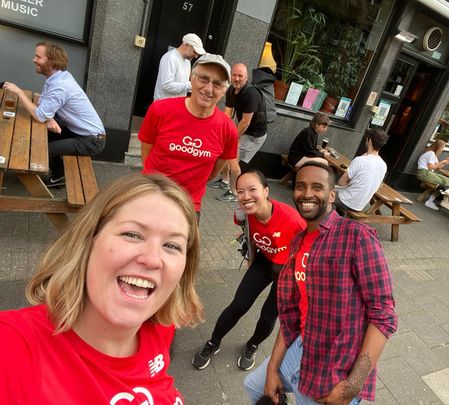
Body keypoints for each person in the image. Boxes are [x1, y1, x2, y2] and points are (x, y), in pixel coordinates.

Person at [0, 173, 204, 403]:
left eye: (171, 245)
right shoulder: (13, 349)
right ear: (88, 241)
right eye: (132, 234)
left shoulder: (159, 329)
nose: (152, 259)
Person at [244, 162, 397, 405]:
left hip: (335, 363)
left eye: (317, 187)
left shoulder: (356, 236)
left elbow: (383, 314)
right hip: (301, 345)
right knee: (253, 386)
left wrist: (353, 385)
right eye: (300, 187)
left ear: (331, 195)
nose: (307, 194)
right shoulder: (298, 243)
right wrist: (273, 367)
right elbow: (291, 312)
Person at [193, 170, 306, 371]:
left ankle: (252, 345)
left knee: (268, 316)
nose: (245, 196)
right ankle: (213, 342)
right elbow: (246, 233)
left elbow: (311, 247)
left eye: (252, 189)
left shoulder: (292, 219)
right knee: (238, 305)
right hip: (263, 263)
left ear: (266, 190)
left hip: (288, 273)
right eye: (240, 191)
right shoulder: (245, 214)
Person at [139, 53, 238, 214]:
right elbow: (146, 155)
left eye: (217, 84)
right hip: (149, 196)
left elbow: (214, 171)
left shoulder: (228, 130)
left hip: (189, 206)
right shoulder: (160, 110)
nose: (208, 89)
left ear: (224, 91)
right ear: (192, 78)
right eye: (203, 79)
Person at [3, 42, 105, 187]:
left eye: (38, 57)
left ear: (51, 61)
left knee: (42, 149)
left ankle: (57, 178)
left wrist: (19, 92)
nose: (33, 60)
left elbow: (39, 115)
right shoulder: (56, 78)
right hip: (77, 131)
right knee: (39, 137)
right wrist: (49, 118)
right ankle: (56, 173)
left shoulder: (61, 85)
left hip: (92, 140)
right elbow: (42, 104)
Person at [209, 63, 268, 203]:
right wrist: (222, 129)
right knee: (226, 152)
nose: (236, 78)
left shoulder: (251, 94)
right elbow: (227, 112)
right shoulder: (231, 90)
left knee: (232, 160)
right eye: (234, 75)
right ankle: (224, 181)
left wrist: (231, 138)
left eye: (240, 76)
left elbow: (245, 122)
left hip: (254, 134)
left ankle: (235, 192)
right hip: (244, 129)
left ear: (246, 77)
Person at [334, 129, 388, 215]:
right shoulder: (383, 165)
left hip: (346, 201)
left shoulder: (360, 160)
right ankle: (338, 219)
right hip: (360, 205)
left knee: (326, 192)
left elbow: (341, 182)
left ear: (369, 141)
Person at [153, 33, 206, 100]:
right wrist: (190, 85)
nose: (196, 56)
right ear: (186, 44)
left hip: (175, 104)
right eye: (194, 52)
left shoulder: (187, 61)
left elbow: (182, 85)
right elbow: (166, 86)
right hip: (163, 105)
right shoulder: (170, 58)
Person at [416, 139, 449, 211]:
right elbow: (430, 167)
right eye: (442, 148)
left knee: (448, 180)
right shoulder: (431, 153)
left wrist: (445, 161)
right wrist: (442, 162)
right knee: (442, 183)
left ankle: (444, 201)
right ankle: (432, 201)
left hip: (429, 173)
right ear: (438, 147)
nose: (442, 150)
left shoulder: (433, 154)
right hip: (423, 173)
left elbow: (438, 166)